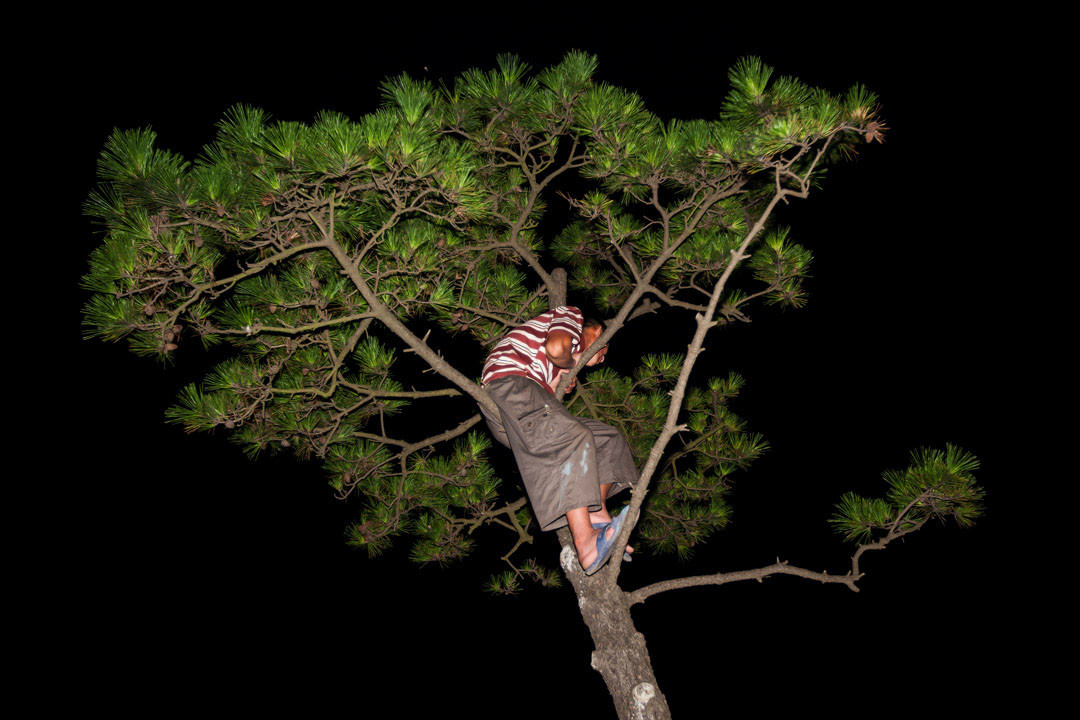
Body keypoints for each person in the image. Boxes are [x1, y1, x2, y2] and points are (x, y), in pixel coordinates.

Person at [479, 305, 638, 575]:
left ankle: (596, 516)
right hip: (510, 385)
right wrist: (570, 361)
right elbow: (556, 349)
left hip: (525, 410)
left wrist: (559, 380)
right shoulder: (572, 316)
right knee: (572, 437)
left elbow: (548, 392)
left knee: (606, 440)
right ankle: (585, 543)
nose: (602, 360)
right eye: (603, 351)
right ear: (597, 331)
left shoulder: (548, 366)